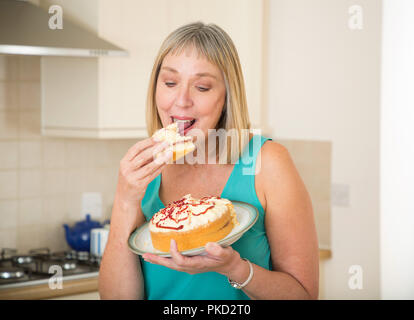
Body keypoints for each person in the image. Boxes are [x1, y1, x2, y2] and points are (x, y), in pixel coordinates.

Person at [99, 22, 319, 300]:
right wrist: (124, 200)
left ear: (227, 97)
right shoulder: (145, 168)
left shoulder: (267, 162)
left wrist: (235, 269)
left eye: (202, 87)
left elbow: (304, 296)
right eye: (169, 83)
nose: (181, 100)